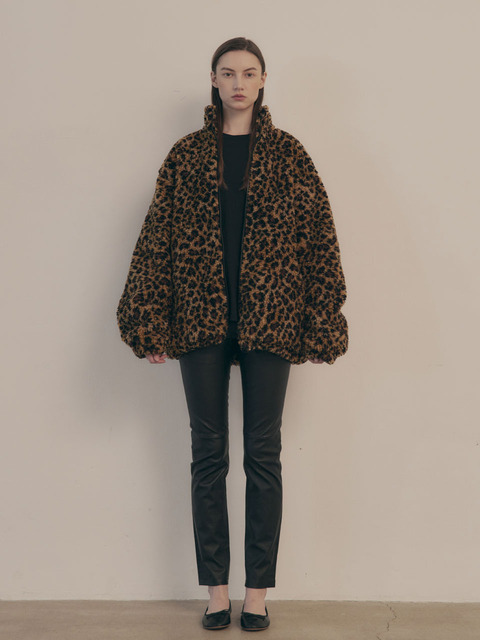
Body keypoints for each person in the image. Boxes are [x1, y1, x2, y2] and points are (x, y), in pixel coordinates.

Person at [116, 37, 348, 632]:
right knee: (208, 455)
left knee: (263, 456)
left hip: (272, 319)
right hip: (200, 320)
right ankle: (217, 591)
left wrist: (321, 321)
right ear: (214, 80)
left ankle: (258, 593)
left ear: (263, 80)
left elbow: (320, 241)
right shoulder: (187, 155)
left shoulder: (289, 155)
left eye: (249, 73)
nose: (238, 83)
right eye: (228, 73)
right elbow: (157, 240)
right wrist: (149, 319)